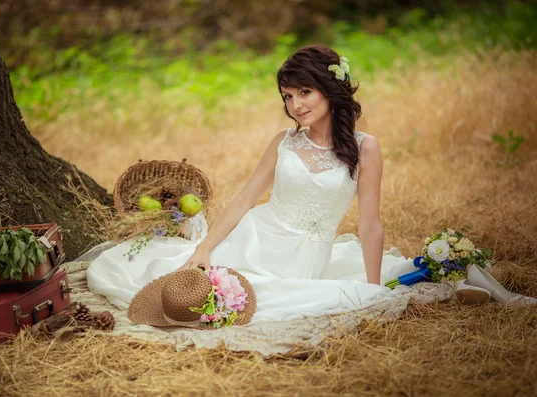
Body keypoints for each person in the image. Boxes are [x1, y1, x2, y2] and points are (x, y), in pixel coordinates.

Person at [86, 44, 417, 323]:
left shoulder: (365, 148)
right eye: (288, 96)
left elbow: (370, 225)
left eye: (305, 92)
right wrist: (204, 248)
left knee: (271, 301)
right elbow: (244, 199)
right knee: (184, 286)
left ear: (329, 90)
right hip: (254, 238)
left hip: (307, 257)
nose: (296, 105)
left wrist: (372, 288)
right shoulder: (284, 141)